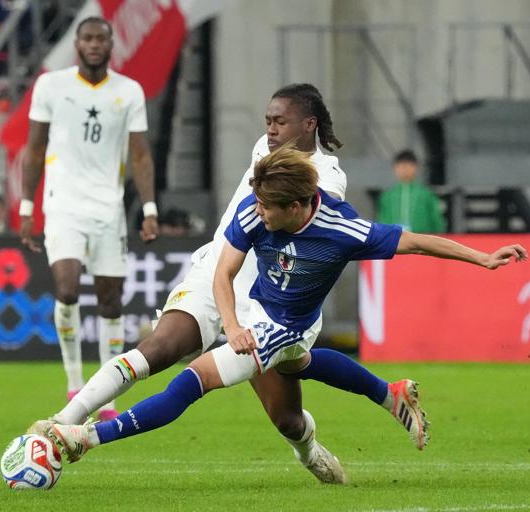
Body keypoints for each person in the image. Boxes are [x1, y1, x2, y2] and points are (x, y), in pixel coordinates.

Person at [38, 145, 528, 483]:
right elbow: (224, 272)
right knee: (300, 368)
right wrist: (230, 325)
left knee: (190, 383)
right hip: (255, 311)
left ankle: (88, 438)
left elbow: (417, 241)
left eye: (270, 209)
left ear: (298, 206)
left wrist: (482, 258)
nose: (259, 213)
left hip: (281, 325)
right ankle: (389, 393)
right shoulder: (258, 207)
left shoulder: (344, 230)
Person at [29, 84, 430, 484]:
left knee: (287, 418)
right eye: (268, 121)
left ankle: (309, 450)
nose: (271, 130)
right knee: (158, 348)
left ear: (308, 126)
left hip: (266, 301)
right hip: (217, 271)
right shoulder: (265, 148)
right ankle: (62, 422)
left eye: (280, 122)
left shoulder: (326, 180)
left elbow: (321, 226)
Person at [19, 17, 159, 420]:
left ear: (111, 44)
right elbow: (33, 149)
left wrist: (149, 210)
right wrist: (28, 209)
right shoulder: (51, 85)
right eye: (88, 38)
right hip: (62, 204)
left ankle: (108, 398)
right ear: (77, 44)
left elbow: (140, 155)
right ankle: (73, 380)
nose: (95, 44)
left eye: (101, 38)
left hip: (108, 209)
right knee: (65, 288)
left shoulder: (128, 91)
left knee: (110, 301)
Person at [376, 149, 446, 233]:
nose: (404, 170)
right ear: (395, 168)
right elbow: (381, 221)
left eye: (408, 166)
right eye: (401, 166)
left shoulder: (426, 194)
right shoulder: (387, 195)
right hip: (393, 242)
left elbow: (437, 221)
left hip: (421, 240)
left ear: (416, 167)